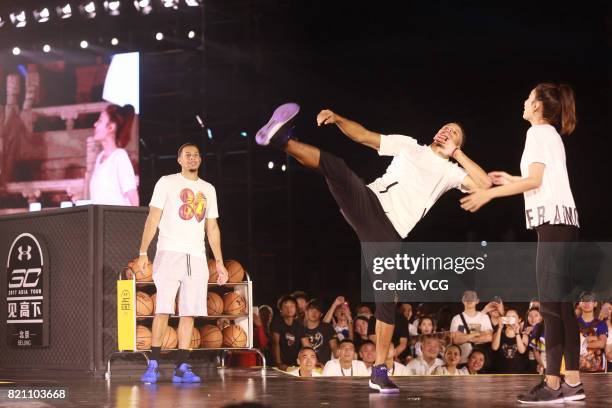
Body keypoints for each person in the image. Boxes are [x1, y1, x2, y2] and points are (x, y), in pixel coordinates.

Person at [255, 103, 491, 393]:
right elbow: (366, 136)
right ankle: (281, 140)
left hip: (388, 233)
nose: (446, 131)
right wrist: (339, 118)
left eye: (453, 131)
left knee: (387, 300)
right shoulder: (409, 146)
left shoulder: (451, 172)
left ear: (457, 143)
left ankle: (379, 371)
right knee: (336, 167)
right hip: (369, 202)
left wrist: (457, 152)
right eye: (445, 127)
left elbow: (484, 183)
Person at [460, 83, 584, 403]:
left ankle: (554, 385)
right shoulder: (551, 135)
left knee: (552, 309)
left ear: (540, 106)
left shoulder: (538, 133)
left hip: (554, 225)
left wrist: (489, 193)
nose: (524, 103)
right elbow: (540, 180)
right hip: (564, 223)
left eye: (529, 99)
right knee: (562, 308)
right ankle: (571, 382)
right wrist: (510, 180)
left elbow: (536, 181)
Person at [138, 142, 228, 383]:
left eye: (196, 155)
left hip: (197, 257)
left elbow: (212, 227)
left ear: (200, 160)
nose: (192, 158)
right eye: (187, 155)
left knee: (189, 313)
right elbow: (152, 218)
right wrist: (143, 252)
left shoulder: (208, 189)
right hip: (169, 252)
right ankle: (154, 363)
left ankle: (181, 366)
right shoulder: (166, 182)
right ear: (179, 159)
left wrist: (218, 262)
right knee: (163, 309)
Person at [89, 104, 139, 206]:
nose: (95, 124)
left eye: (100, 121)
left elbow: (133, 198)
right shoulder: (99, 158)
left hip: (118, 220)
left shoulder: (120, 156)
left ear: (111, 127)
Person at [450, 290, 493, 365]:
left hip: (480, 362)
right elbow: (455, 340)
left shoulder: (484, 317)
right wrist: (476, 334)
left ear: (477, 301)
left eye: (472, 297)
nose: (469, 299)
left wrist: (464, 337)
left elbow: (489, 337)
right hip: (462, 361)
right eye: (466, 297)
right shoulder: (456, 318)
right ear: (463, 300)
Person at [271, 295, 305, 371]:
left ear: (296, 309)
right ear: (281, 309)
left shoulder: (299, 325)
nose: (289, 309)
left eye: (292, 306)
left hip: (294, 364)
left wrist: (315, 360)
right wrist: (279, 364)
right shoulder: (276, 322)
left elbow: (306, 344)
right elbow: (275, 344)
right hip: (279, 365)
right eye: (285, 306)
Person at [577, 292, 608, 372]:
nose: (586, 303)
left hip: (597, 368)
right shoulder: (573, 323)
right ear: (580, 303)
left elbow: (601, 344)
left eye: (590, 301)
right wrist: (594, 339)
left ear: (595, 304)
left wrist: (583, 343)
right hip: (577, 368)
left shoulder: (601, 324)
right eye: (584, 300)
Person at [301, 299, 338, 364]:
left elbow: (334, 347)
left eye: (317, 311)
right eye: (311, 310)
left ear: (321, 314)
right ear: (306, 312)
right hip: (305, 366)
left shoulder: (327, 327)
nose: (314, 313)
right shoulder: (300, 328)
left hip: (324, 367)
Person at [491, 309, 528, 373]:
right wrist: (499, 328)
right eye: (507, 317)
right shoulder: (497, 333)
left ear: (519, 319)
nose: (510, 319)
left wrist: (517, 333)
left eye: (513, 317)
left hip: (518, 373)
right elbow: (494, 347)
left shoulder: (524, 336)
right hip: (499, 373)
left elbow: (522, 351)